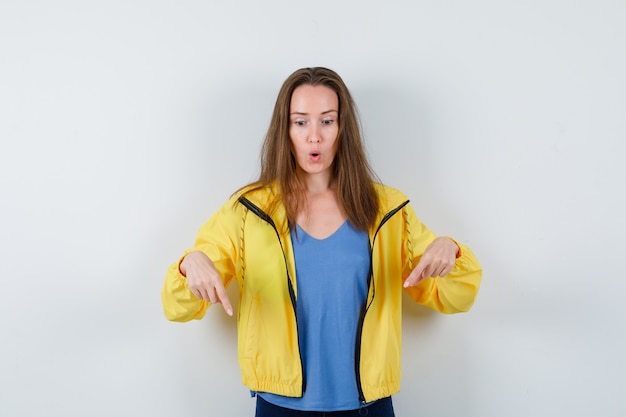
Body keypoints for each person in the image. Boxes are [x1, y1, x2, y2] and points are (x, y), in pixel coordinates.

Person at [161, 67, 482, 417]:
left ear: (343, 128)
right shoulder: (248, 212)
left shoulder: (389, 211)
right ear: (285, 130)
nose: (314, 137)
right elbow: (178, 307)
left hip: (369, 407)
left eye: (327, 121)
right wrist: (189, 264)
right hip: (280, 407)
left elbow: (455, 297)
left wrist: (451, 250)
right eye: (301, 122)